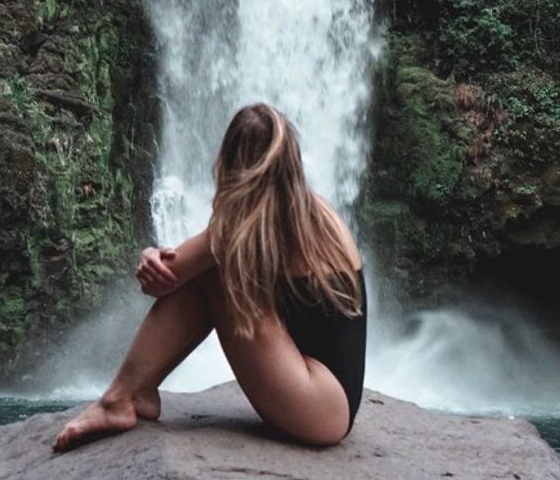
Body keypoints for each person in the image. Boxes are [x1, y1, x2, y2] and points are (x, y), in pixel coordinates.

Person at [52, 102, 367, 451]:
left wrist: (151, 258)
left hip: (320, 408)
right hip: (324, 399)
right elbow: (174, 269)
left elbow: (166, 277)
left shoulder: (241, 231)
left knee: (208, 275)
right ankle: (131, 394)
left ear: (231, 161)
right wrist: (157, 258)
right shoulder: (308, 212)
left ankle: (122, 398)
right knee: (207, 270)